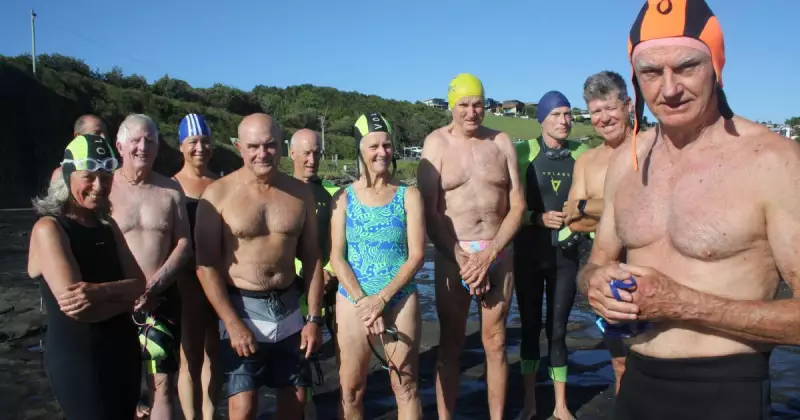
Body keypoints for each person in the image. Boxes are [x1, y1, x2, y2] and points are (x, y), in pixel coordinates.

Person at [580, 1, 800, 419]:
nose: (669, 89)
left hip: (727, 390)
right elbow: (596, 263)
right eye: (650, 73)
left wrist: (684, 304)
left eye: (686, 66)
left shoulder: (775, 162)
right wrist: (593, 283)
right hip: (637, 384)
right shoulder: (628, 161)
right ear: (634, 79)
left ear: (716, 66)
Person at [194, 113, 324, 420]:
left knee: (296, 401)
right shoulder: (217, 194)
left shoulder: (299, 193)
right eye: (253, 146)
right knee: (243, 406)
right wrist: (232, 322)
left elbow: (313, 257)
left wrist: (314, 318)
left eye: (270, 145)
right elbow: (206, 265)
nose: (262, 153)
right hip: (241, 308)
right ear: (239, 147)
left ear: (281, 146)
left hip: (290, 307)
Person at [417, 73, 525, 420]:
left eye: (477, 104)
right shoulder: (435, 145)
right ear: (451, 106)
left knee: (495, 342)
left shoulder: (502, 141)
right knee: (451, 343)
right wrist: (463, 257)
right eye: (463, 104)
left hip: (497, 252)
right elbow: (429, 211)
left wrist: (489, 254)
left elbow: (518, 205)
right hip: (455, 254)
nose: (471, 111)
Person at [28, 134, 145, 419]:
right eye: (89, 177)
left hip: (123, 350)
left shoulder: (108, 226)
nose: (98, 186)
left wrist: (101, 291)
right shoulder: (50, 229)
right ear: (68, 176)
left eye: (105, 177)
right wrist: (126, 302)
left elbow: (139, 284)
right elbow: (80, 311)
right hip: (79, 357)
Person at [330, 112, 425, 419]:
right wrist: (363, 302)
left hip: (398, 298)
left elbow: (417, 255)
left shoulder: (408, 195)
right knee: (351, 390)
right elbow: (337, 257)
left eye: (386, 145)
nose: (382, 152)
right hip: (353, 300)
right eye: (373, 146)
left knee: (405, 386)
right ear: (360, 150)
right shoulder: (344, 198)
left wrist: (382, 299)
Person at [511, 90, 589, 420]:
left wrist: (580, 219)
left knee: (557, 330)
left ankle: (560, 405)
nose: (564, 121)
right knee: (530, 327)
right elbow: (505, 204)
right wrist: (536, 218)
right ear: (541, 120)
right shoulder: (522, 152)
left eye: (568, 114)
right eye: (556, 115)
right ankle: (530, 403)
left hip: (566, 256)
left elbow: (597, 198)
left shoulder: (583, 153)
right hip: (529, 253)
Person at [110, 114, 193, 420]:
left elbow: (184, 243)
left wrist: (157, 283)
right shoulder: (105, 188)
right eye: (135, 140)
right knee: (117, 383)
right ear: (120, 145)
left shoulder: (170, 190)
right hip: (116, 304)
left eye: (150, 140)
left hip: (161, 301)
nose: (143, 146)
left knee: (163, 385)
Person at [564, 70, 633, 394]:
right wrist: (618, 207)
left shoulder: (651, 149)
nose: (604, 118)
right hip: (604, 273)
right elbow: (572, 218)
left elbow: (650, 210)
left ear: (628, 105)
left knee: (660, 361)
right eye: (596, 111)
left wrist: (587, 206)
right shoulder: (587, 162)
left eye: (610, 107)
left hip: (650, 266)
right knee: (620, 363)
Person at [288, 128, 339, 420]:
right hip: (297, 288)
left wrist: (330, 269)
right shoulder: (281, 190)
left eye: (317, 152)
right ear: (291, 154)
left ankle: (348, 401)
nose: (312, 159)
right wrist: (307, 273)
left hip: (333, 285)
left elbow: (341, 238)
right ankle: (307, 410)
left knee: (346, 351)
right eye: (306, 153)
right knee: (300, 358)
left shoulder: (332, 192)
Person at [172, 113, 220, 420]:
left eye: (205, 141)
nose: (200, 148)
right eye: (193, 142)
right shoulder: (171, 186)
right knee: (189, 354)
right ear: (181, 146)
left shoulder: (222, 183)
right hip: (185, 281)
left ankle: (210, 413)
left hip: (217, 278)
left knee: (214, 353)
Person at [51, 114, 109, 182]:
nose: (104, 137)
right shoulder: (61, 175)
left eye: (105, 133)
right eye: (97, 133)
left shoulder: (116, 171)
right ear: (78, 136)